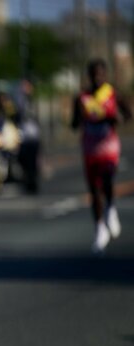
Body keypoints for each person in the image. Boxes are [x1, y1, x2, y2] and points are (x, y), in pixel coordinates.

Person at [71, 58, 131, 254]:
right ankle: (100, 228)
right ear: (89, 76)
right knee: (94, 189)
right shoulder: (82, 97)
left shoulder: (112, 93)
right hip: (90, 145)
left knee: (107, 178)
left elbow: (127, 115)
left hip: (108, 144)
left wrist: (117, 118)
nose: (98, 78)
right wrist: (80, 115)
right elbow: (74, 123)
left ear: (105, 75)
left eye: (101, 74)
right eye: (94, 74)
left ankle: (110, 209)